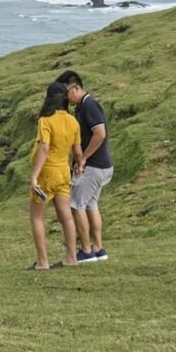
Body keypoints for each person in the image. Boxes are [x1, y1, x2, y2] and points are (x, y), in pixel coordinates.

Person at [56, 70, 113, 263]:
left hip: (94, 166)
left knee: (76, 205)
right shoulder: (81, 107)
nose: (65, 98)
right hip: (100, 165)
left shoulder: (89, 105)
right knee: (90, 205)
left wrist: (83, 159)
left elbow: (100, 133)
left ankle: (87, 251)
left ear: (75, 88)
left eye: (66, 93)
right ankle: (98, 248)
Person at [28, 81, 84, 270]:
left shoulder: (45, 120)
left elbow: (44, 147)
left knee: (37, 217)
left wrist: (34, 176)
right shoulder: (72, 121)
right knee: (66, 216)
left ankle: (43, 262)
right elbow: (77, 150)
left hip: (47, 173)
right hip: (64, 172)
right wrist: (79, 164)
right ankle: (71, 258)